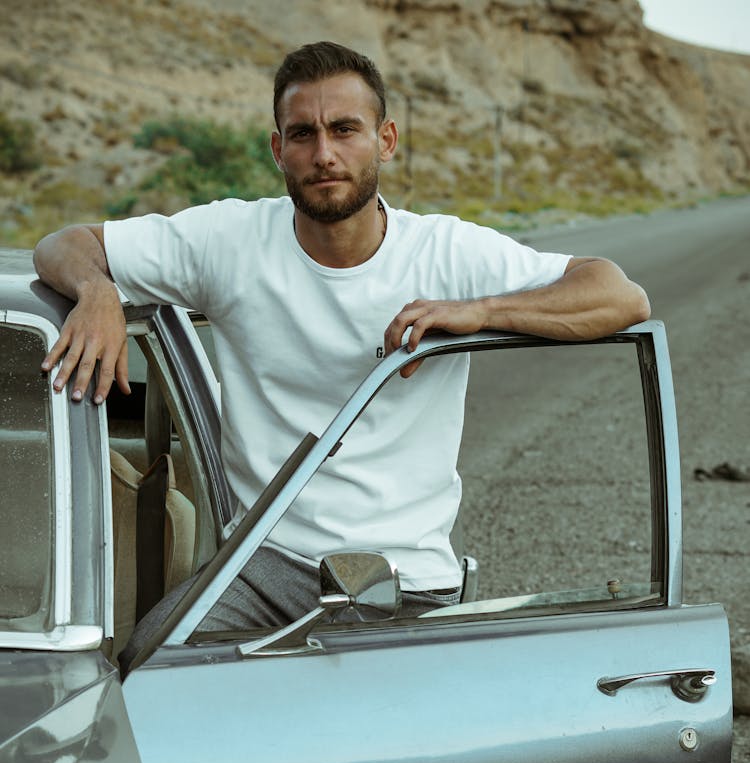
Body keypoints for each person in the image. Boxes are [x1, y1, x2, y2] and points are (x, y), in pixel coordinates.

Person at [33, 41, 650, 633]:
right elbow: (63, 244)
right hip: (259, 566)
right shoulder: (229, 241)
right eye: (304, 134)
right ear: (279, 149)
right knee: (147, 676)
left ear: (385, 141)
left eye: (345, 130)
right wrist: (98, 293)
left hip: (402, 578)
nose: (324, 153)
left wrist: (480, 310)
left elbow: (618, 295)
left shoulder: (447, 252)